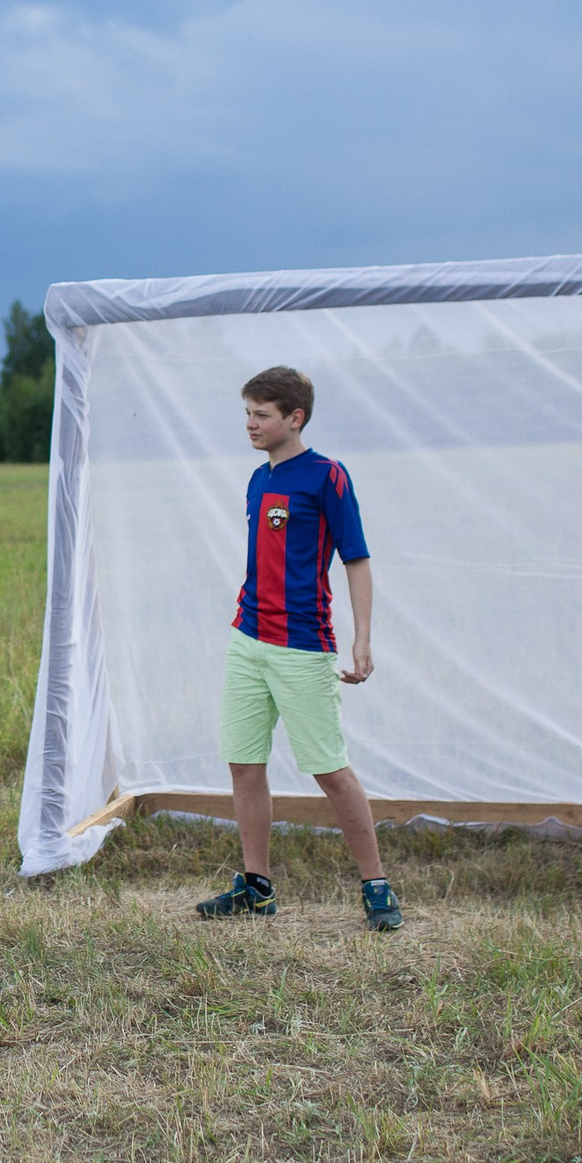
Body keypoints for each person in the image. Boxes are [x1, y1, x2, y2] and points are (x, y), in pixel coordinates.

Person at [197, 366, 404, 932]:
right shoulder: (257, 480)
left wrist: (362, 637)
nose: (250, 424)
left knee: (330, 770)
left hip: (302, 646)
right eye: (247, 413)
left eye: (262, 415)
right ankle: (257, 886)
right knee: (244, 762)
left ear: (296, 417)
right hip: (248, 641)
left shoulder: (327, 477)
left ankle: (377, 886)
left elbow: (355, 559)